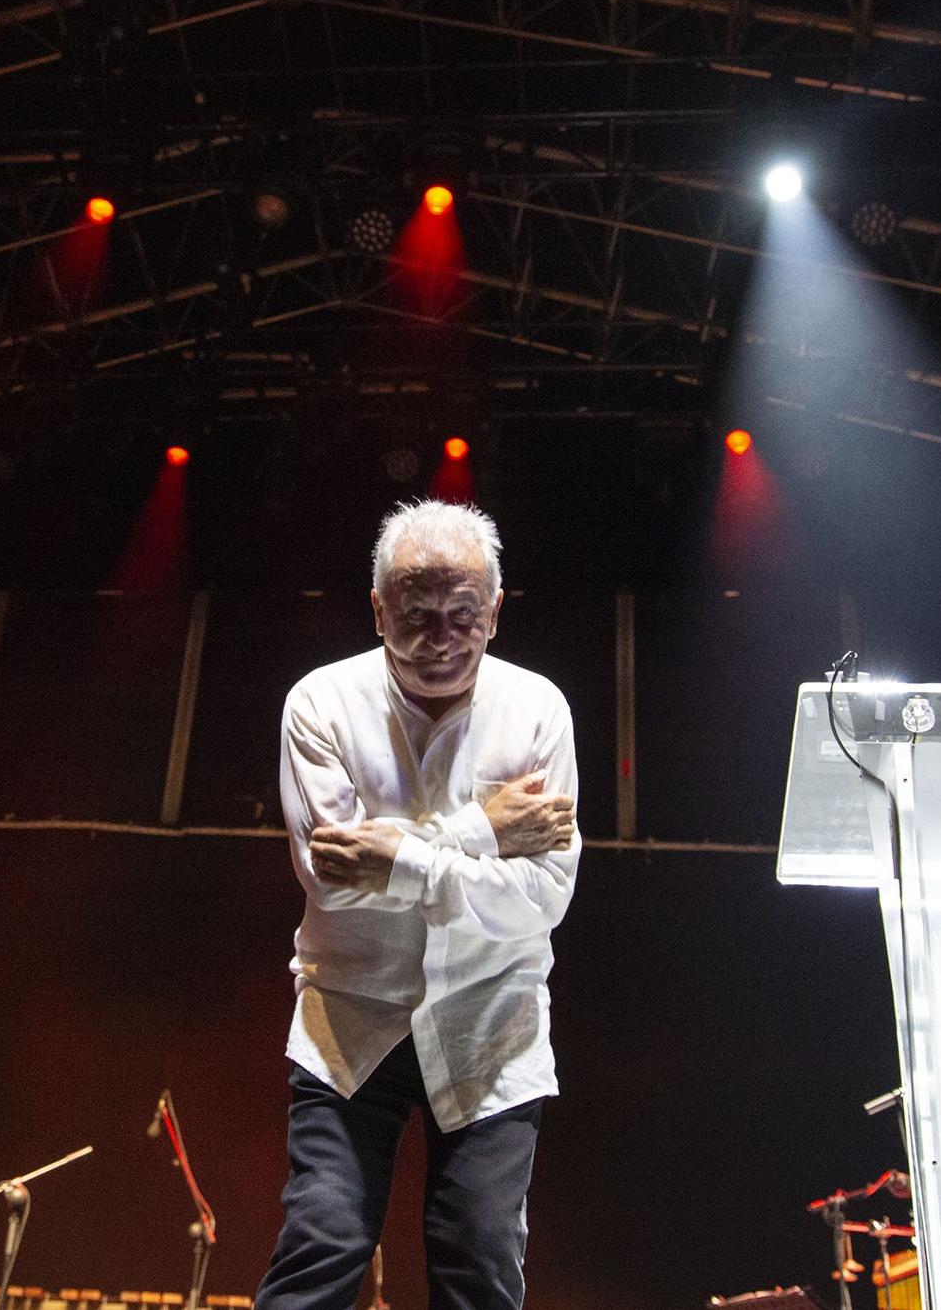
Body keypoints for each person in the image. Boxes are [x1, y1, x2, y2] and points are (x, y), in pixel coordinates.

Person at [255, 499, 581, 1310]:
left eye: (463, 615)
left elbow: (542, 897)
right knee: (321, 1246)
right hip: (351, 1018)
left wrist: (397, 854)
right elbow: (332, 875)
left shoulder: (538, 710)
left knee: (479, 1259)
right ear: (376, 610)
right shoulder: (320, 705)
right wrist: (482, 830)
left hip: (490, 1024)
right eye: (417, 616)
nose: (441, 638)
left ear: (496, 611)